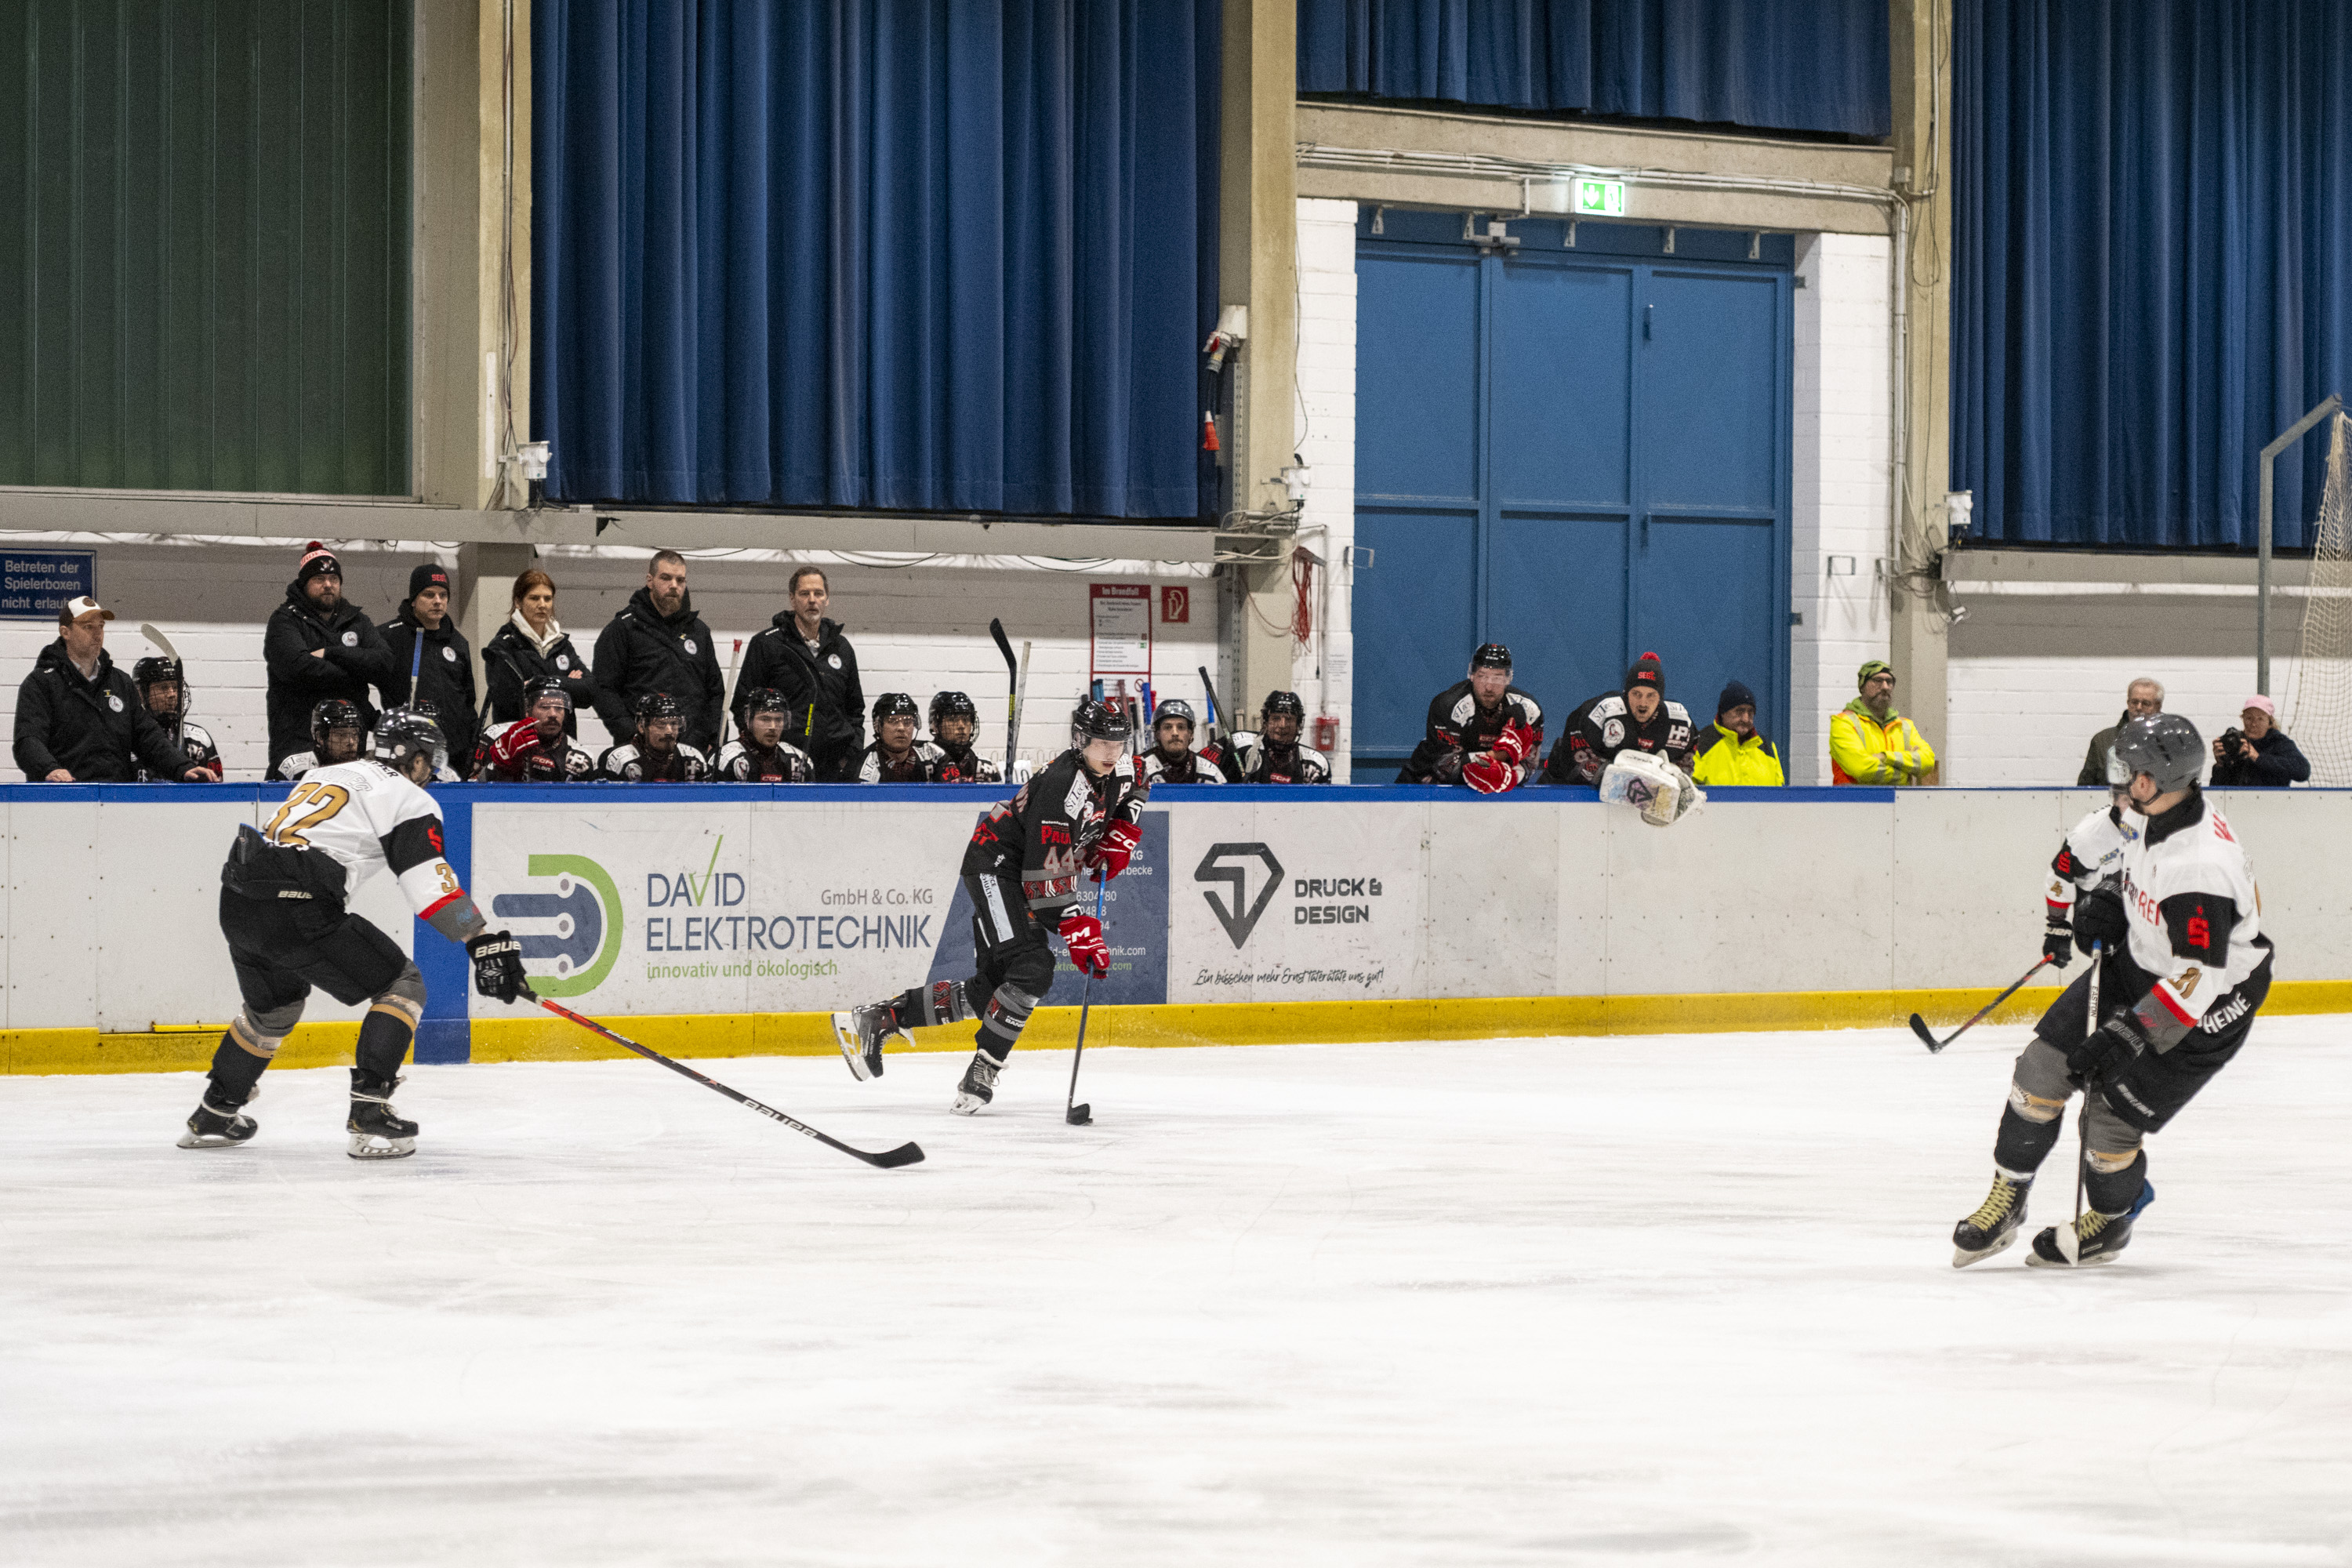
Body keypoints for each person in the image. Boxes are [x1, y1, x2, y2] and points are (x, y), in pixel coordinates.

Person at [1950, 714, 2274, 1267]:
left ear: (2160, 779)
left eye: (2132, 770)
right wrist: (2102, 906)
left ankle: (2111, 1220)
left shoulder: (2201, 867)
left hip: (2211, 1001)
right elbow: (2076, 857)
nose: (2120, 779)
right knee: (2039, 1069)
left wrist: (2131, 1031)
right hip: (2139, 966)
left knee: (2107, 1126)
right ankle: (2008, 1195)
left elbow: (2200, 975)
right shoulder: (2139, 810)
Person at [175, 708, 528, 1160]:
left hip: (240, 894)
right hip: (298, 896)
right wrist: (480, 939)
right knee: (403, 985)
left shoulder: (332, 772)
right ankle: (371, 1109)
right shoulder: (409, 796)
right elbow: (427, 883)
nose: (432, 772)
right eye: (430, 761)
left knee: (273, 1010)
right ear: (414, 759)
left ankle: (215, 1111)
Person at [831, 699, 1147, 1112]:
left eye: (1117, 743)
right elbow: (1044, 882)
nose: (1111, 752)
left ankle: (883, 1018)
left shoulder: (1122, 765)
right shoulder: (1061, 785)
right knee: (1033, 969)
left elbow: (1139, 780)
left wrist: (1123, 828)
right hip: (997, 867)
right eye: (1101, 743)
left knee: (994, 990)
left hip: (1020, 871)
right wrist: (1077, 926)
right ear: (1080, 741)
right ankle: (983, 1069)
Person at [13, 597, 210, 783]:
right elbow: (28, 741)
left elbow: (147, 736)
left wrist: (182, 767)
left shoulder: (120, 682)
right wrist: (50, 769)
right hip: (64, 798)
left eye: (101, 626)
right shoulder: (40, 683)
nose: (97, 633)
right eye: (88, 627)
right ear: (66, 633)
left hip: (115, 800)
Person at [262, 542, 395, 780]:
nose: (327, 585)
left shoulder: (358, 621)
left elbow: (384, 663)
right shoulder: (284, 621)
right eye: (319, 579)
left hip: (351, 746)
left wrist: (331, 652)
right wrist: (357, 673)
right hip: (299, 745)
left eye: (334, 579)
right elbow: (297, 668)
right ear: (304, 584)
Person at [732, 565, 865, 780]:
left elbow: (855, 709)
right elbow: (743, 705)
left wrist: (852, 753)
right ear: (793, 599)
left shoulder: (842, 647)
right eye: (805, 594)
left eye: (818, 593)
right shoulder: (767, 644)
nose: (812, 600)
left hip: (833, 766)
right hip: (783, 765)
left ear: (827, 599)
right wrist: (764, 756)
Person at [591, 550, 724, 755]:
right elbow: (603, 689)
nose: (674, 585)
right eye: (666, 578)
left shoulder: (699, 632)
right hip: (639, 750)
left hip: (691, 748)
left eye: (680, 580)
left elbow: (715, 692)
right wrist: (631, 735)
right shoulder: (623, 629)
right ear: (650, 581)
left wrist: (708, 736)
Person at [1396, 643, 1544, 793]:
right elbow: (1446, 768)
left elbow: (1529, 765)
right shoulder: (1448, 705)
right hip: (1425, 783)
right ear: (1471, 675)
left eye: (1497, 678)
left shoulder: (1529, 710)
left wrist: (1507, 777)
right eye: (1482, 676)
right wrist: (1502, 755)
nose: (1489, 687)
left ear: (1508, 678)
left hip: (1494, 792)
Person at [1541, 652, 1695, 786]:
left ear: (1661, 698)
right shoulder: (1601, 712)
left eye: (1651, 696)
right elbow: (1575, 763)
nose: (1643, 703)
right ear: (1626, 693)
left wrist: (1675, 777)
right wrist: (1630, 781)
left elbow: (1686, 762)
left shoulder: (1679, 721)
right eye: (1636, 694)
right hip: (1564, 787)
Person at [382, 563, 479, 768]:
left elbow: (468, 702)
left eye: (443, 595)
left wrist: (474, 745)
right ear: (414, 600)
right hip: (408, 752)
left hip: (455, 753)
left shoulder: (458, 642)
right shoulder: (389, 637)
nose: (438, 601)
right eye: (429, 595)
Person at [482, 568, 598, 733]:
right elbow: (508, 701)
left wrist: (541, 683)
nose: (542, 605)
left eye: (547, 599)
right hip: (520, 743)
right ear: (518, 602)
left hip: (561, 744)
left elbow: (589, 691)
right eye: (534, 598)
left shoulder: (562, 644)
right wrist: (567, 685)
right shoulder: (502, 646)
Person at [1829, 659, 1936, 786]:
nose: (1885, 687)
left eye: (1889, 682)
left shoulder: (1905, 725)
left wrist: (1885, 757)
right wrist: (1904, 772)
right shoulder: (1844, 723)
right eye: (1877, 681)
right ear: (1862, 686)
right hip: (1855, 802)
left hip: (1898, 802)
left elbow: (1928, 761)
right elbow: (1862, 770)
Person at [473, 680, 598, 782]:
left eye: (559, 708)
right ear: (528, 710)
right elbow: (470, 785)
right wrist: (500, 767)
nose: (553, 714)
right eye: (545, 707)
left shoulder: (582, 758)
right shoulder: (495, 735)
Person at [132, 655, 223, 782]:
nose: (172, 695)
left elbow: (216, 790)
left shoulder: (199, 739)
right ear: (141, 694)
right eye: (163, 688)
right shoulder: (128, 739)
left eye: (175, 688)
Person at [1216, 691, 1330, 783]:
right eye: (1276, 718)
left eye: (1289, 719)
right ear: (1265, 722)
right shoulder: (1239, 745)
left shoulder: (1315, 764)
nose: (1282, 725)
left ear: (1298, 725)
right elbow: (1202, 768)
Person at [597, 691, 711, 782]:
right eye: (661, 724)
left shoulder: (693, 759)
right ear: (641, 727)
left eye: (674, 723)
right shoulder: (621, 761)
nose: (669, 731)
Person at [1690, 681, 1785, 787]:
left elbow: (1779, 792)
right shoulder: (1702, 744)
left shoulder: (1766, 747)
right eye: (1739, 711)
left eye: (1750, 712)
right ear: (1723, 713)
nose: (1746, 719)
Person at [2076, 678, 2163, 788]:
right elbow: (2084, 790)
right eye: (2134, 702)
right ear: (2128, 703)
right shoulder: (2102, 741)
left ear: (2158, 706)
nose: (2139, 707)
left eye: (2146, 703)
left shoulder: (2173, 742)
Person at [716, 688, 818, 782]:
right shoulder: (728, 759)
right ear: (749, 721)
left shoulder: (799, 761)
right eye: (765, 719)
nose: (773, 727)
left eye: (778, 720)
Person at [2208, 695, 2309, 787]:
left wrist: (2258, 758)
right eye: (2249, 718)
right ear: (2243, 719)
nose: (2253, 724)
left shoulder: (2280, 743)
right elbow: (2217, 790)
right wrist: (2220, 765)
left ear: (2269, 722)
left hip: (2273, 804)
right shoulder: (2237, 743)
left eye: (2260, 719)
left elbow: (2303, 771)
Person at [271, 699, 370, 782]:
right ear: (320, 737)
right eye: (342, 735)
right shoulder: (294, 768)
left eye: (354, 734)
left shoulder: (365, 770)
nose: (351, 742)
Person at [1137, 698, 1224, 786]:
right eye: (1168, 727)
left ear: (1191, 733)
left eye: (1181, 727)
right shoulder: (1139, 769)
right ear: (1157, 734)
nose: (1175, 733)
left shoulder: (1210, 773)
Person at [858, 693, 939, 782]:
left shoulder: (933, 754)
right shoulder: (861, 767)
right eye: (892, 721)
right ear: (878, 726)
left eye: (907, 721)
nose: (901, 728)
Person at [923, 691, 1002, 783]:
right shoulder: (923, 763)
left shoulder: (984, 766)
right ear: (936, 726)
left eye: (966, 720)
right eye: (952, 720)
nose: (961, 726)